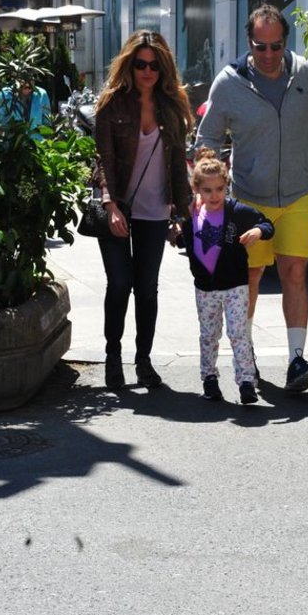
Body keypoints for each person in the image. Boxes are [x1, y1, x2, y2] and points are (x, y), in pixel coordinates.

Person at [196, 3, 308, 394]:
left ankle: (297, 360)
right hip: (249, 199)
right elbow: (207, 137)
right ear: (249, 43)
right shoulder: (229, 83)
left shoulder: (305, 74)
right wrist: (207, 190)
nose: (269, 55)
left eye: (276, 46)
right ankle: (247, 357)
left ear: (285, 42)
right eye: (261, 47)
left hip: (299, 194)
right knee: (250, 278)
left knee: (295, 273)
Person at [93, 30, 192, 390]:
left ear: (163, 68)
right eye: (140, 64)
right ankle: (112, 356)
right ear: (129, 65)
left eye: (154, 65)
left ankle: (143, 360)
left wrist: (181, 216)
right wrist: (110, 204)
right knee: (120, 283)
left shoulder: (171, 106)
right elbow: (102, 159)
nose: (147, 71)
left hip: (154, 209)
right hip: (118, 206)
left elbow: (178, 166)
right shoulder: (112, 104)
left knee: (147, 288)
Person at [177, 148, 274, 405]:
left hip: (236, 286)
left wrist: (257, 231)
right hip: (205, 288)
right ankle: (209, 378)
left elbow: (267, 224)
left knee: (238, 333)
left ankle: (247, 382)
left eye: (220, 189)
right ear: (197, 189)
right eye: (207, 190)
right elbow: (181, 237)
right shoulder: (191, 214)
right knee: (209, 335)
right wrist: (176, 230)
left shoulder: (236, 211)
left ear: (226, 186)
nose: (214, 195)